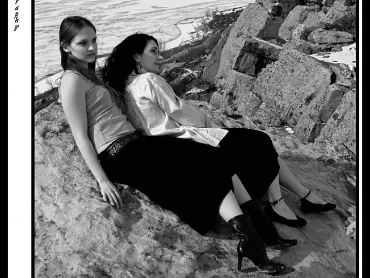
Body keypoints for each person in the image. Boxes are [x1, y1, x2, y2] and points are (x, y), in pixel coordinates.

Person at [58, 16, 289, 274]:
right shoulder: (71, 80)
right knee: (203, 162)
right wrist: (101, 180)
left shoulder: (88, 75)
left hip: (135, 144)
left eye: (94, 40)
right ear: (66, 47)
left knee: (212, 157)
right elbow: (80, 135)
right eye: (83, 43)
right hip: (117, 152)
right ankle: (254, 240)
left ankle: (256, 233)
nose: (91, 47)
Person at [100, 33, 337, 229]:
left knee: (256, 142)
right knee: (259, 140)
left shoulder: (122, 87)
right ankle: (279, 203)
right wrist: (209, 123)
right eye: (153, 51)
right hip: (184, 140)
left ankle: (303, 196)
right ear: (136, 57)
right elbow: (182, 112)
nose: (160, 57)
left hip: (163, 146)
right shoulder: (150, 80)